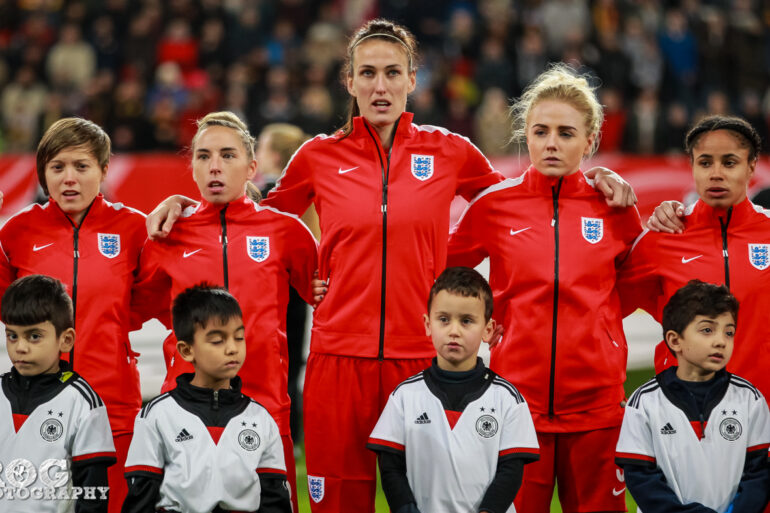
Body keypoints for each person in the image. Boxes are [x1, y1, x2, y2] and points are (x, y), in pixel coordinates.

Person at [145, 20, 635, 512]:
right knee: (340, 501)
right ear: (350, 82)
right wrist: (185, 204)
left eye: (392, 73)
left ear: (412, 78)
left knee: (434, 500)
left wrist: (592, 179)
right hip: (338, 360)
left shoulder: (449, 151)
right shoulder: (318, 155)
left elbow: (527, 198)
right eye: (368, 74)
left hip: (423, 359)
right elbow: (254, 211)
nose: (380, 86)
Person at [447, 64, 643, 513]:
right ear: (526, 135)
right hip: (518, 405)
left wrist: (600, 329)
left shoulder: (614, 206)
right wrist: (482, 319)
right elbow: (438, 272)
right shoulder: (495, 206)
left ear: (590, 140)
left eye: (566, 133)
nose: (551, 142)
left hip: (597, 407)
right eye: (541, 131)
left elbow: (634, 288)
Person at [134, 111, 317, 511]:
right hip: (185, 411)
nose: (215, 166)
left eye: (228, 155)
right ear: (193, 168)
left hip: (267, 406)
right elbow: (133, 308)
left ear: (252, 166)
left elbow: (325, 294)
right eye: (203, 156)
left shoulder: (286, 232)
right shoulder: (168, 235)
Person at [0, 117, 148, 512]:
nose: (69, 178)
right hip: (32, 410)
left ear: (103, 169)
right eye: (57, 167)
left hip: (111, 406)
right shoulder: (16, 231)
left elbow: (152, 300)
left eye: (81, 166)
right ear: (43, 173)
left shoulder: (134, 228)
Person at [619, 115, 770, 402]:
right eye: (705, 162)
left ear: (752, 166)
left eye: (729, 162)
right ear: (692, 167)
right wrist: (605, 387)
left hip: (762, 414)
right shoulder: (662, 237)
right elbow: (602, 309)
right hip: (681, 417)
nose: (716, 173)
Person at [367, 267, 539, 513]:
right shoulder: (405, 396)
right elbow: (390, 466)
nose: (454, 331)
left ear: (487, 329)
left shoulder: (507, 399)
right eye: (444, 319)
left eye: (466, 321)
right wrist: (405, 507)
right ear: (428, 324)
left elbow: (511, 471)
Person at [122, 284, 291, 513]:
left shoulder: (260, 419)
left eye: (238, 338)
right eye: (217, 340)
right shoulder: (157, 416)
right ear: (186, 350)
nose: (232, 348)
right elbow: (141, 499)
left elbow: (275, 501)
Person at [616, 280, 770, 512]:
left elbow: (760, 473)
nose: (720, 341)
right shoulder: (644, 402)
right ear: (675, 340)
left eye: (728, 332)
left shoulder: (751, 399)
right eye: (707, 330)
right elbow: (641, 478)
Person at [1, 275, 116, 512]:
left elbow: (93, 494)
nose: (20, 347)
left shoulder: (84, 403)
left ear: (66, 340)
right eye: (12, 335)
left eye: (34, 336)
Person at [254, 122, 319, 447]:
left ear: (275, 155)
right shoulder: (306, 197)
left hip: (270, 293)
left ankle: (272, 435)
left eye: (261, 147)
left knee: (268, 367)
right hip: (296, 294)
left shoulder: (268, 196)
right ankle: (292, 436)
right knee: (290, 366)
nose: (256, 154)